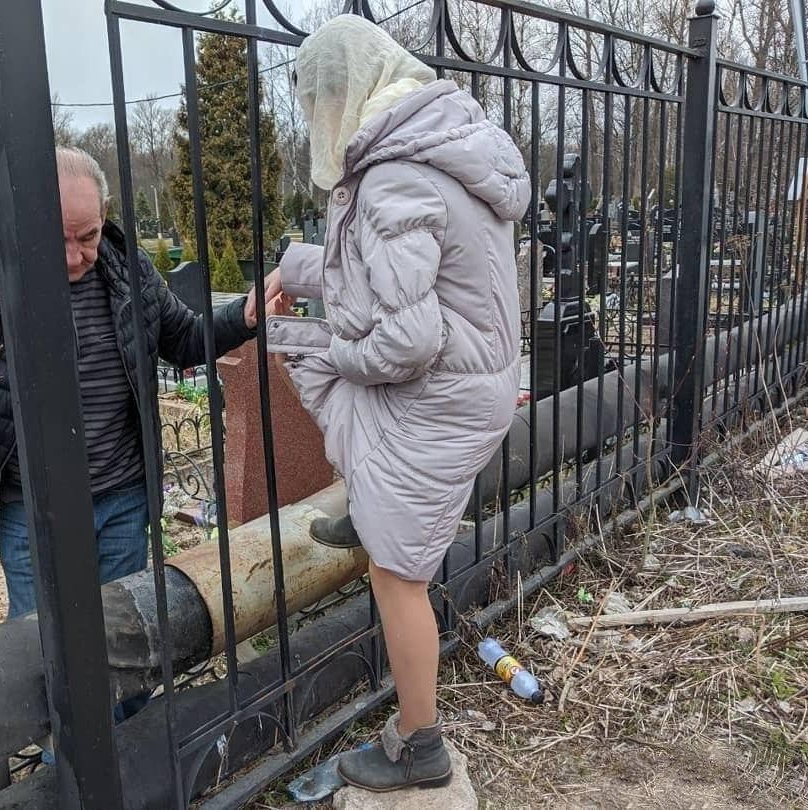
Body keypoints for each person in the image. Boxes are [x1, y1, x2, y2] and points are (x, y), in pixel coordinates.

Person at [266, 15, 529, 792]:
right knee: (357, 404)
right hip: (472, 381)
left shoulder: (392, 175)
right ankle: (376, 507)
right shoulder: (437, 145)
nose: (318, 120)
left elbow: (407, 337)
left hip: (442, 392)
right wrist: (299, 271)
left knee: (397, 576)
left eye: (320, 101)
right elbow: (395, 270)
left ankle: (420, 746)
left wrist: (331, 349)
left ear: (347, 93)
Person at [0, 146, 286, 718]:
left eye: (88, 235)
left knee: (129, 641)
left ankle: (136, 758)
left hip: (122, 500)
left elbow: (182, 340)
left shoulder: (127, 270)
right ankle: (62, 773)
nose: (77, 255)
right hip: (36, 510)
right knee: (49, 653)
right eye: (61, 238)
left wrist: (242, 317)